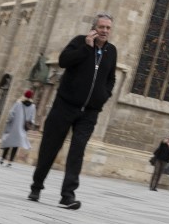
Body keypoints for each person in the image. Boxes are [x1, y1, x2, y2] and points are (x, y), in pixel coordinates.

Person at [28, 12, 117, 210]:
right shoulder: (79, 42)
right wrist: (86, 47)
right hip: (65, 105)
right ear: (94, 28)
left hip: (90, 112)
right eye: (101, 27)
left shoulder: (111, 51)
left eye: (108, 28)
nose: (104, 31)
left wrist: (104, 94)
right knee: (50, 147)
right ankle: (36, 186)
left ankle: (68, 195)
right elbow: (63, 61)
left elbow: (111, 77)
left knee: (77, 151)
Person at [0, 89, 36, 166]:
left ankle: (2, 158)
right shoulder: (33, 106)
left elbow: (11, 113)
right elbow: (32, 118)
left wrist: (8, 121)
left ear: (24, 95)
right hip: (22, 128)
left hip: (13, 126)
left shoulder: (18, 103)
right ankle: (10, 161)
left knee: (9, 142)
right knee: (16, 145)